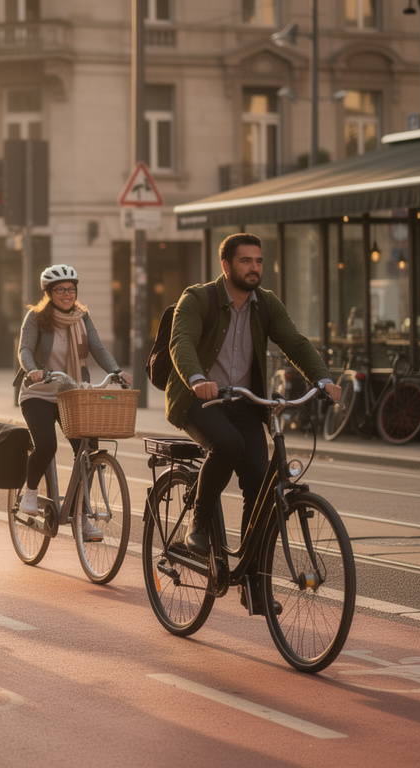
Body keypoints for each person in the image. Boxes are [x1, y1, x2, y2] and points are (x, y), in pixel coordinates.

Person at [165, 233, 341, 612]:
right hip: (199, 400)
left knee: (261, 484)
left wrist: (322, 379)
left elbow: (294, 342)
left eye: (259, 261)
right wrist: (197, 380)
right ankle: (197, 525)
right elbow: (180, 342)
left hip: (245, 403)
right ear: (226, 266)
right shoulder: (198, 299)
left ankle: (252, 580)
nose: (254, 268)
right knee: (227, 445)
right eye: (246, 261)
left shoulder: (266, 303)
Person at [16, 265, 130, 538]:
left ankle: (81, 515)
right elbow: (24, 349)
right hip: (39, 393)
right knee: (46, 444)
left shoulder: (82, 317)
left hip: (72, 393)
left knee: (87, 452)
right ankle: (30, 492)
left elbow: (97, 347)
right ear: (49, 293)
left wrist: (115, 371)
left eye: (71, 289)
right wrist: (33, 370)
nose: (67, 294)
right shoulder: (36, 318)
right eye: (60, 290)